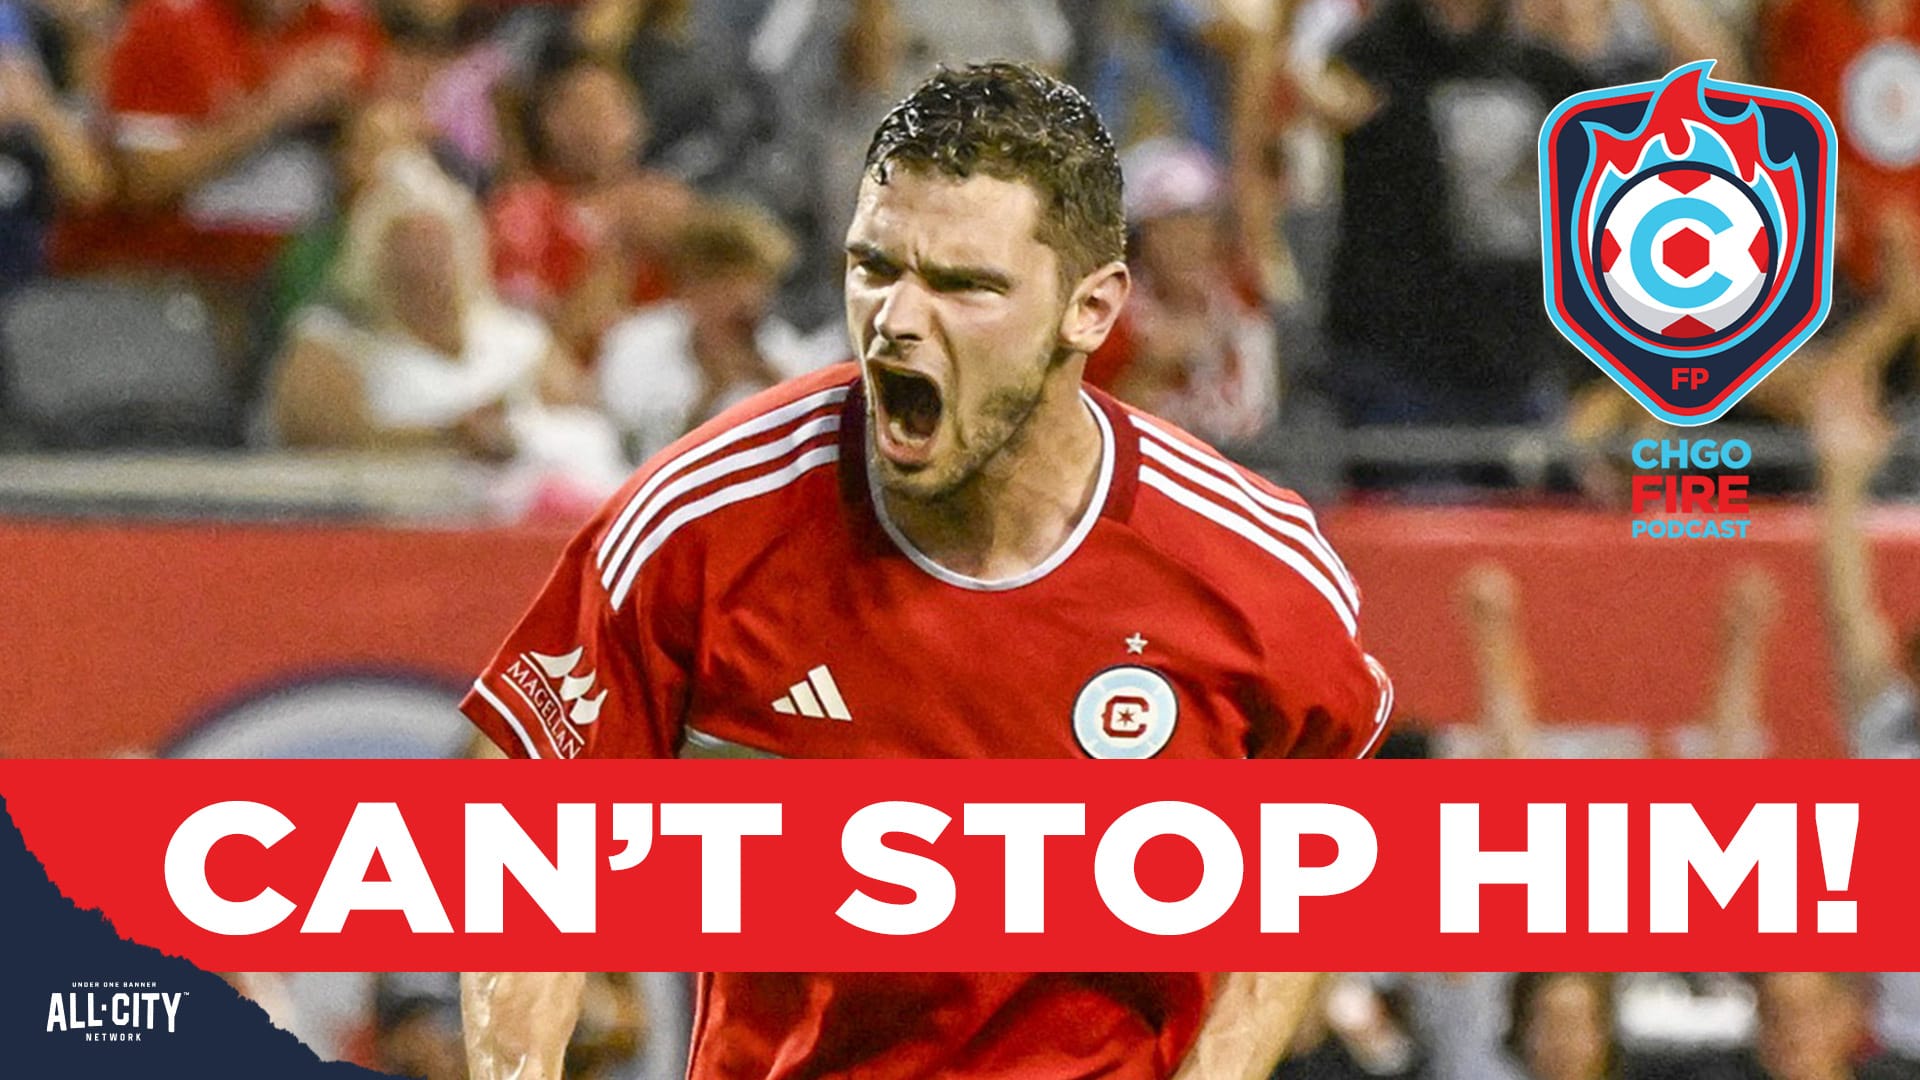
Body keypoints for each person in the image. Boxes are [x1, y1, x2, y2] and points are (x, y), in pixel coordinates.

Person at [458, 62, 1393, 1079]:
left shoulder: (1257, 569)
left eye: (964, 283)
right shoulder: (699, 524)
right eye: (876, 267)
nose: (899, 319)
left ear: (1091, 308)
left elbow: (1313, 848)